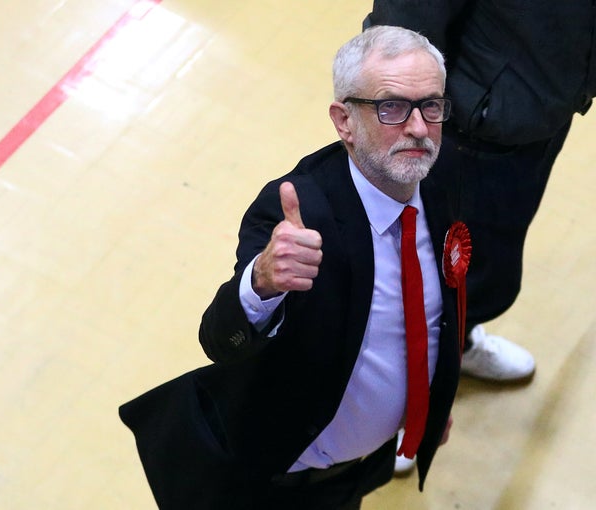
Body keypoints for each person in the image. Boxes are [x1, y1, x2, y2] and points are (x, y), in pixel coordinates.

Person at [120, 25, 464, 509]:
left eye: (431, 105)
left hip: (360, 468)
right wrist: (262, 281)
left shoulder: (440, 172)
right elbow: (219, 339)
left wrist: (433, 397)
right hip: (272, 481)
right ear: (344, 120)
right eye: (391, 107)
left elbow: (434, 313)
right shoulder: (299, 211)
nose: (418, 128)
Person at [364, 0, 596, 475]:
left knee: (482, 267)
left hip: (538, 109)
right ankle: (383, 411)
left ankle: (456, 345)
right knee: (407, 277)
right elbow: (402, 22)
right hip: (462, 128)